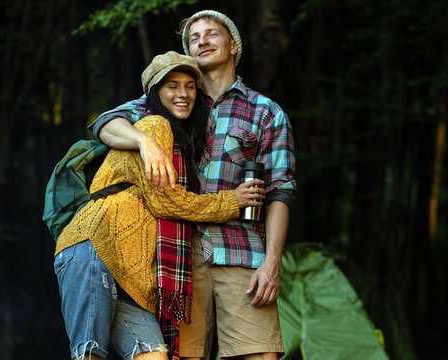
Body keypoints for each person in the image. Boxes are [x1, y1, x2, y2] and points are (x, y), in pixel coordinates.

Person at [89, 10, 297, 360]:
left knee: (261, 355)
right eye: (193, 38)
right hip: (180, 255)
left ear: (234, 46)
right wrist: (145, 142)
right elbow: (106, 124)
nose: (202, 40)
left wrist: (272, 263)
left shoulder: (265, 111)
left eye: (212, 34)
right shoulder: (178, 97)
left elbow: (280, 190)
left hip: (242, 251)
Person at [54, 51, 266, 360]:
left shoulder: (178, 141)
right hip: (95, 245)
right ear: (155, 93)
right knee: (90, 354)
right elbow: (165, 200)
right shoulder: (154, 127)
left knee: (154, 356)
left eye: (190, 86)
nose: (183, 94)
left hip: (132, 272)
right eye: (172, 86)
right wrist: (231, 201)